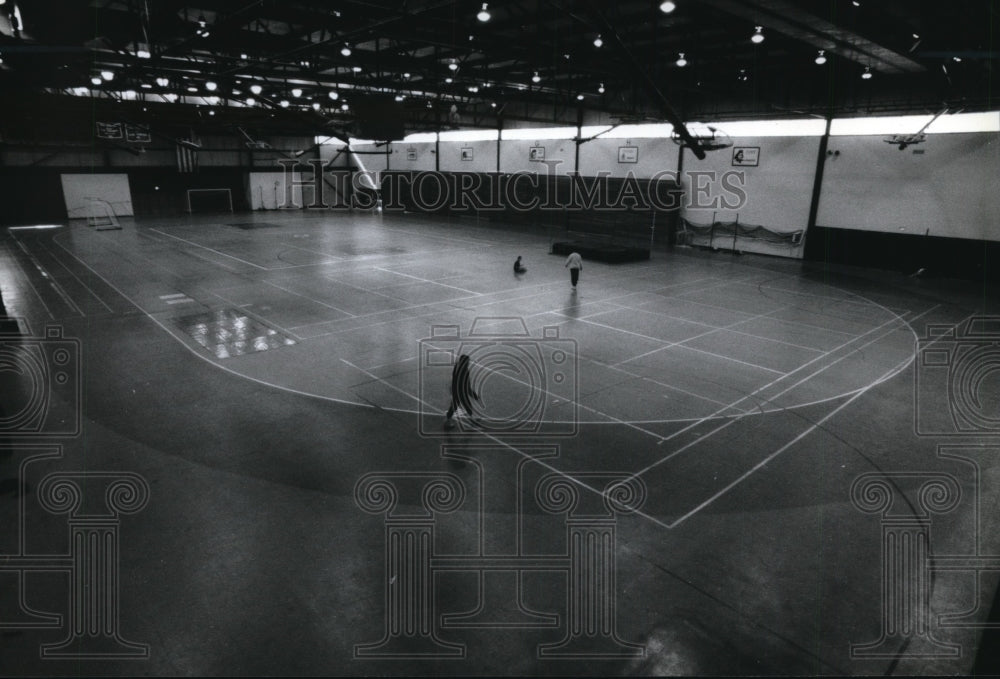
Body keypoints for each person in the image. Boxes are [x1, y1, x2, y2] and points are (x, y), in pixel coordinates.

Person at [445, 354, 480, 428]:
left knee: (456, 405)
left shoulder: (458, 366)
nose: (469, 362)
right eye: (468, 361)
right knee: (463, 405)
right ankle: (448, 421)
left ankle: (448, 420)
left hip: (456, 389)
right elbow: (466, 385)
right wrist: (473, 394)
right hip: (460, 391)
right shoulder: (464, 371)